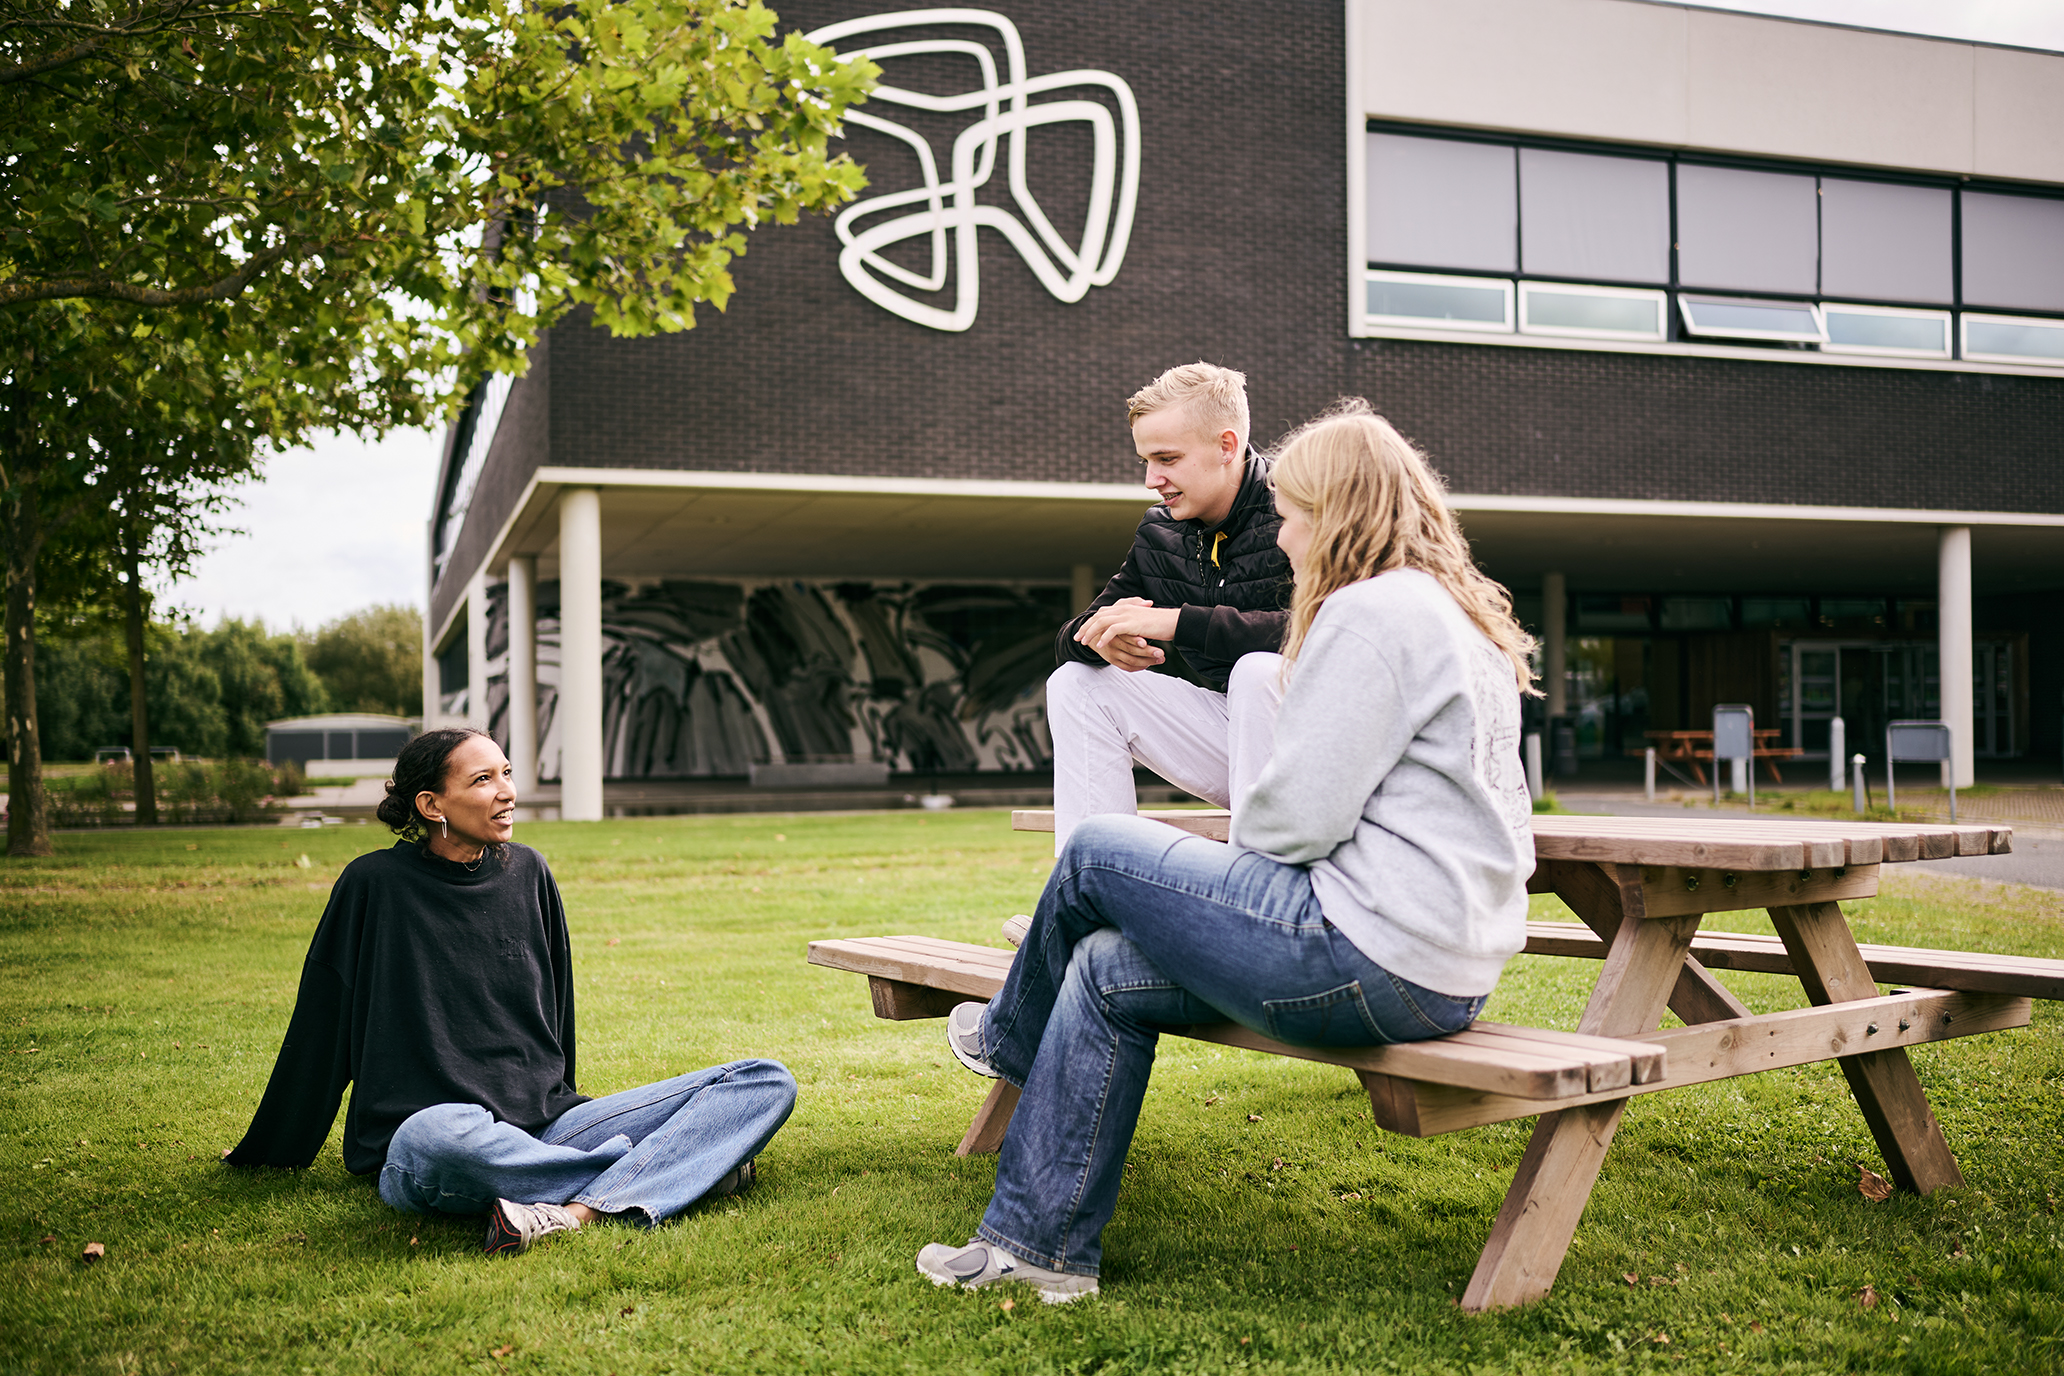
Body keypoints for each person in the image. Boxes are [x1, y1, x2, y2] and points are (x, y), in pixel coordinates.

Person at [919, 400, 1538, 1303]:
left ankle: (1010, 1035)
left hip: (1365, 953)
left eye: (1289, 515)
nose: (1282, 539)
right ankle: (1038, 1249)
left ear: (1337, 513)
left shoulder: (1369, 617)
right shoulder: (1451, 614)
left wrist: (1259, 824)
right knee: (1099, 967)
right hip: (1445, 965)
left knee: (1095, 853)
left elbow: (1291, 826)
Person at [224, 728, 796, 1256]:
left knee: (763, 1080)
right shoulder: (373, 885)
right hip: (434, 1134)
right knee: (438, 1136)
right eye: (482, 780)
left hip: (548, 1125)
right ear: (431, 806)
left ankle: (571, 1215)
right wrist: (273, 1149)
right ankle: (675, 1169)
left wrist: (565, 1098)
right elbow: (323, 1020)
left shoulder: (530, 872)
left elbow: (556, 1007)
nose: (507, 792)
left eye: (506, 773)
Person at [1046, 362, 1293, 855]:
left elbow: (1329, 632)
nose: (1151, 479)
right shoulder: (1160, 531)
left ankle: (1253, 888)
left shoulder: (1301, 506)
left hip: (1328, 747)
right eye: (1145, 461)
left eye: (1167, 458)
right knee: (1074, 682)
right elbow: (1079, 633)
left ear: (1227, 447)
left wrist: (1175, 622)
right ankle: (1091, 895)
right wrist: (1100, 640)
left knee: (1257, 672)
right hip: (1238, 748)